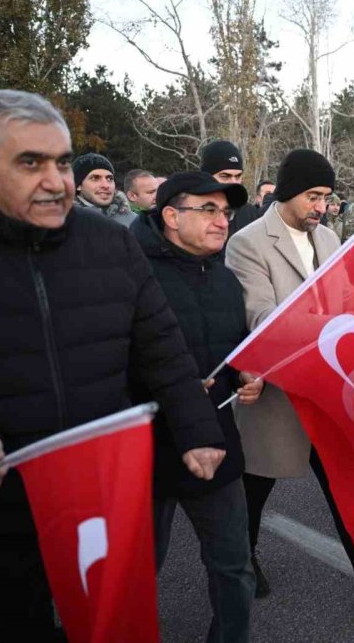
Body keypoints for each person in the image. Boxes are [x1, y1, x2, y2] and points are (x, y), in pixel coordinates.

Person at [0, 89, 226, 641]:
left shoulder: (111, 244)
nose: (56, 181)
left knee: (110, 621)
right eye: (30, 163)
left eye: (60, 161)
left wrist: (197, 428)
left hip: (101, 487)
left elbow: (160, 347)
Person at [225, 148, 354, 623]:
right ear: (289, 191)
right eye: (313, 197)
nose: (321, 207)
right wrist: (330, 332)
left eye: (326, 197)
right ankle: (242, 559)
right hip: (277, 396)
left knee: (347, 486)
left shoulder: (331, 239)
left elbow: (349, 305)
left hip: (330, 392)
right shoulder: (250, 243)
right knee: (254, 489)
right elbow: (259, 317)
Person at [130, 171, 259, 642]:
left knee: (233, 566)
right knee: (137, 568)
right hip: (147, 447)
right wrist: (172, 390)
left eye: (225, 212)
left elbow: (236, 347)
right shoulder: (130, 274)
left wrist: (248, 375)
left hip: (216, 441)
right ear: (169, 216)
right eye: (207, 210)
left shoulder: (226, 280)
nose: (222, 221)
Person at [201, 140, 261, 238]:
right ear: (207, 177)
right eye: (225, 176)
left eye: (238, 176)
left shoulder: (250, 213)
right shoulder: (193, 211)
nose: (234, 182)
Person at [73, 152, 135, 226]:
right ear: (78, 185)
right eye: (95, 178)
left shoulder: (135, 222)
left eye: (109, 178)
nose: (106, 185)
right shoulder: (63, 222)